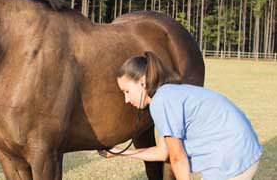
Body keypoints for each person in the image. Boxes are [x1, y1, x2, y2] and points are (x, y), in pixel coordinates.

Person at [98, 51, 262, 180]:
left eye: (127, 91)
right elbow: (163, 153)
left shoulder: (162, 101)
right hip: (243, 151)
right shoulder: (166, 94)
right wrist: (120, 152)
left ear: (143, 81)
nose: (126, 99)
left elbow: (178, 159)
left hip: (232, 158)